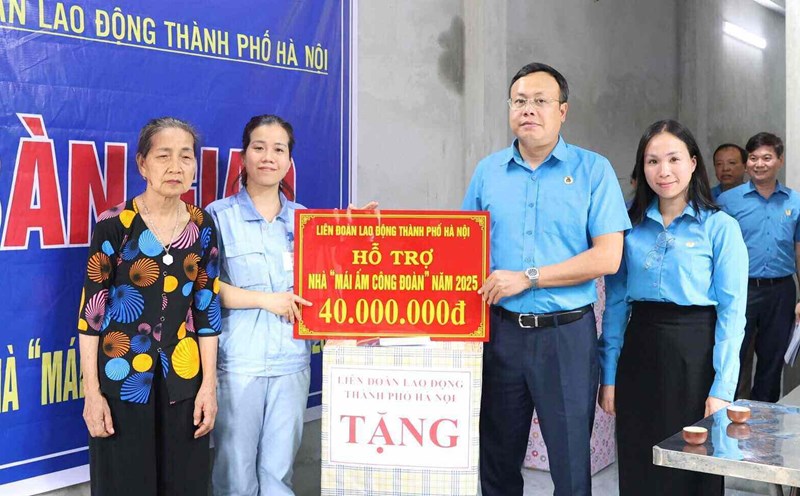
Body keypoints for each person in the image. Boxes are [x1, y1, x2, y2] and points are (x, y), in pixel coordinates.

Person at [462, 62, 630, 496]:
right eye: (519, 101)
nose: (528, 110)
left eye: (540, 101)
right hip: (499, 336)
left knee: (571, 467)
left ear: (563, 111)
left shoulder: (594, 170)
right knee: (496, 459)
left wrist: (529, 278)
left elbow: (608, 257)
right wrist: (378, 231)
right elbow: (458, 247)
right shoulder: (489, 172)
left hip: (566, 338)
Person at [599, 119, 747, 495]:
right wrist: (610, 375)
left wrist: (723, 387)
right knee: (638, 458)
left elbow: (732, 314)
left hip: (696, 355)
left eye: (674, 159)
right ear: (641, 167)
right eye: (652, 161)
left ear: (694, 163)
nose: (663, 171)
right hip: (640, 351)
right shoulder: (627, 227)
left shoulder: (719, 227)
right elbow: (615, 304)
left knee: (694, 461)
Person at [77, 117, 221, 495]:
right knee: (124, 483)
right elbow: (91, 315)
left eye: (186, 157)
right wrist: (92, 393)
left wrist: (209, 386)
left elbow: (207, 309)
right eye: (163, 156)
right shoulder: (115, 224)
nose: (176, 167)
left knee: (185, 483)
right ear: (142, 164)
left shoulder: (202, 225)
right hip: (122, 378)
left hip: (184, 378)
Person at [717, 132, 800, 402]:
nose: (759, 164)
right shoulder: (728, 202)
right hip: (740, 289)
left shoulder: (794, 202)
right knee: (733, 357)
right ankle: (729, 422)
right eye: (753, 158)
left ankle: (763, 428)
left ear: (780, 160)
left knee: (771, 361)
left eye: (767, 157)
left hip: (781, 291)